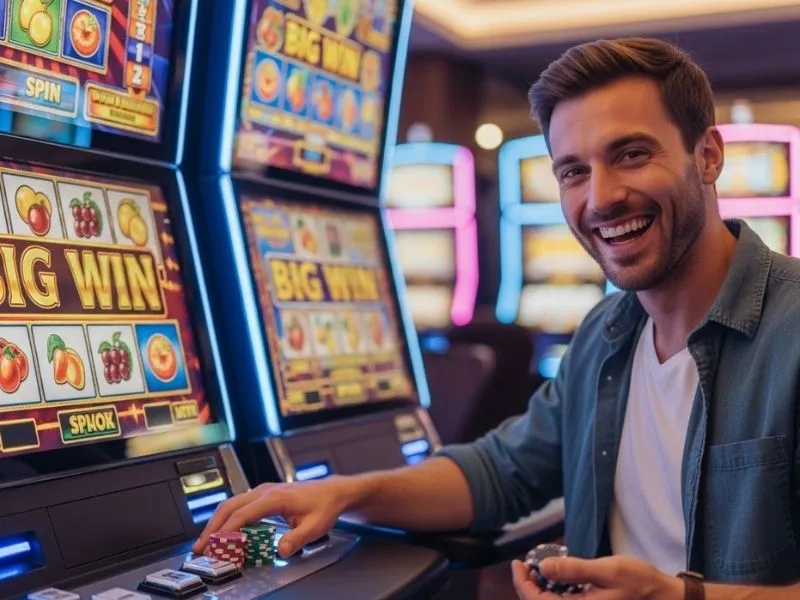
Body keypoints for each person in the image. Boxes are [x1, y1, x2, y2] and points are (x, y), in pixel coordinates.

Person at [196, 38, 800, 599]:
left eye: (632, 154)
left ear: (709, 156)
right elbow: (499, 474)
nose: (601, 197)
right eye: (573, 171)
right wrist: (346, 494)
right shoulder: (604, 336)